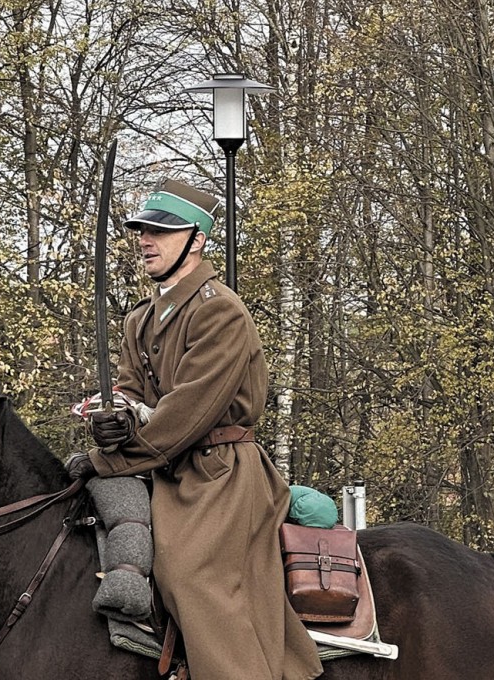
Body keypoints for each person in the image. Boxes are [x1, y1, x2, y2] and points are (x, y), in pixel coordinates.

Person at [68, 178, 323, 680]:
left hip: (220, 476)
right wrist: (116, 418)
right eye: (142, 230)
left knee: (188, 575)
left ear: (197, 240)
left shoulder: (221, 312)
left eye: (160, 232)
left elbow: (186, 414)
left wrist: (111, 459)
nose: (145, 240)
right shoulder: (139, 318)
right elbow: (135, 393)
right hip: (165, 470)